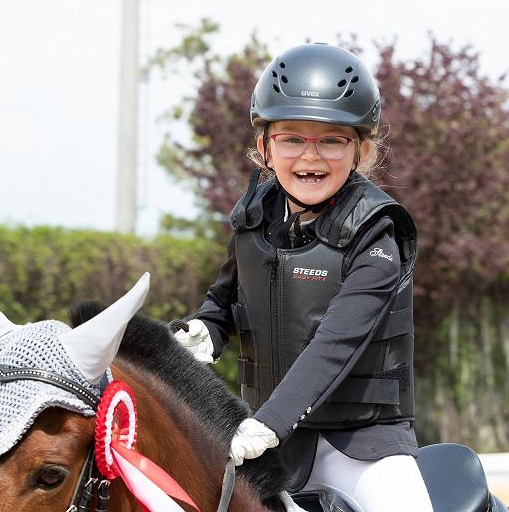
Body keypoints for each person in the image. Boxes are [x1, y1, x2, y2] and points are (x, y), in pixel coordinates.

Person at [173, 43, 432, 511]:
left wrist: (269, 422)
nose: (310, 156)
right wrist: (203, 333)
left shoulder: (378, 233)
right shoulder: (253, 220)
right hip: (267, 444)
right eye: (292, 138)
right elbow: (223, 303)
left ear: (362, 149)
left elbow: (336, 343)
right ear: (264, 147)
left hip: (361, 446)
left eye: (331, 140)